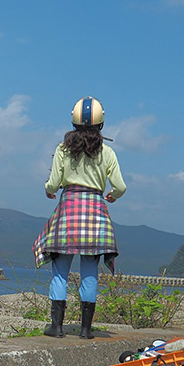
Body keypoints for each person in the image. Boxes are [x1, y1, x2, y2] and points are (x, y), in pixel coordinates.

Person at [33, 96, 126, 339]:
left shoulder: (63, 149)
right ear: (101, 124)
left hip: (69, 209)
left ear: (73, 122)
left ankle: (57, 327)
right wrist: (112, 195)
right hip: (96, 212)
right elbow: (120, 186)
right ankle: (85, 330)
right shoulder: (108, 152)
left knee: (60, 269)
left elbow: (53, 183)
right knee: (89, 272)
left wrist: (48, 190)